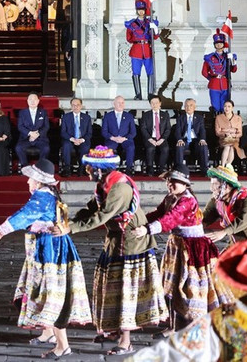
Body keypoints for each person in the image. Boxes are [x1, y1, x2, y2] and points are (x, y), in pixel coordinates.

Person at [65, 147, 168, 356]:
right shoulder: (105, 185)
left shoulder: (119, 188)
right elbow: (92, 209)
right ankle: (112, 329)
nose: (87, 171)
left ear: (100, 169)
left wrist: (71, 228)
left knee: (125, 292)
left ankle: (126, 341)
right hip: (116, 241)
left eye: (90, 168)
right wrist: (69, 220)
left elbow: (102, 215)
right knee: (110, 287)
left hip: (132, 246)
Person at [0, 159, 92, 359]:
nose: (27, 182)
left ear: (38, 181)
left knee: (51, 293)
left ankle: (63, 345)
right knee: (42, 289)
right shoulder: (49, 194)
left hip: (50, 252)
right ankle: (48, 333)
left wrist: (3, 229)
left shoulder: (42, 197)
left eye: (30, 178)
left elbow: (26, 214)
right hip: (46, 248)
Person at [131, 164, 232, 331]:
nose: (170, 184)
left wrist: (147, 229)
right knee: (173, 285)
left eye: (174, 182)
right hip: (178, 246)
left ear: (185, 184)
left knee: (190, 287)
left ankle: (193, 326)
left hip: (193, 250)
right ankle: (174, 325)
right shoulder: (171, 198)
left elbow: (170, 219)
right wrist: (138, 220)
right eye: (169, 181)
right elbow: (158, 214)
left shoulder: (187, 201)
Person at [203, 164, 247, 245]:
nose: (211, 188)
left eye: (215, 184)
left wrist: (223, 232)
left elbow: (243, 220)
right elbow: (205, 218)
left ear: (226, 186)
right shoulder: (216, 201)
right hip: (237, 244)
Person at [125, 0, 160, 100]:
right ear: (137, 11)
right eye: (139, 10)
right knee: (136, 73)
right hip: (136, 51)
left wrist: (155, 29)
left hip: (147, 50)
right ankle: (138, 94)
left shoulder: (150, 22)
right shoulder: (132, 24)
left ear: (145, 10)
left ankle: (150, 94)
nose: (141, 12)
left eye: (143, 10)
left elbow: (155, 37)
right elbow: (129, 38)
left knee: (150, 72)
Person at [202, 30, 237, 114]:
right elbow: (204, 72)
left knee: (225, 106)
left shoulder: (228, 56)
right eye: (217, 43)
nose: (219, 45)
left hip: (225, 83)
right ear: (214, 45)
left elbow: (234, 70)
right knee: (216, 106)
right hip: (214, 85)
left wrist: (233, 60)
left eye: (221, 43)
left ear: (223, 44)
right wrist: (212, 79)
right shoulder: (209, 58)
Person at [173, 98, 210, 174]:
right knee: (179, 146)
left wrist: (202, 139)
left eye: (191, 105)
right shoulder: (180, 118)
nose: (188, 107)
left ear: (195, 107)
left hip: (196, 140)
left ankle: (204, 170)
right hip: (184, 140)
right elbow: (178, 131)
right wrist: (179, 139)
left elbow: (202, 130)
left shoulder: (199, 118)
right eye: (186, 106)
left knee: (203, 146)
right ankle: (179, 170)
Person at [101, 95, 137, 171]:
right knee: (108, 148)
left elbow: (133, 132)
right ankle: (109, 169)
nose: (121, 105)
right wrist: (113, 138)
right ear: (114, 104)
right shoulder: (108, 116)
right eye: (118, 103)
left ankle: (129, 168)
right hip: (112, 139)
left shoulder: (129, 116)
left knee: (131, 147)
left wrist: (124, 138)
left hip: (125, 139)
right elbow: (104, 131)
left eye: (122, 103)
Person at [15, 92, 51, 168]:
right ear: (27, 101)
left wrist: (38, 134)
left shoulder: (43, 112)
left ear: (38, 101)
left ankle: (40, 167)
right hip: (26, 138)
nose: (32, 101)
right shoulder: (22, 113)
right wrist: (30, 133)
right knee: (18, 148)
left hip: (40, 138)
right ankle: (25, 166)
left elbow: (46, 126)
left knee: (46, 148)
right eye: (30, 99)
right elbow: (20, 126)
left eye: (34, 99)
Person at [139, 95, 171, 175]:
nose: (154, 105)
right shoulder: (146, 115)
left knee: (165, 149)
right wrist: (150, 139)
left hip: (161, 138)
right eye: (152, 103)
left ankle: (161, 168)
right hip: (150, 138)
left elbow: (168, 129)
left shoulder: (165, 115)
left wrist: (162, 139)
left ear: (160, 103)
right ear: (150, 104)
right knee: (150, 148)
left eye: (156, 103)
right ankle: (150, 168)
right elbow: (143, 128)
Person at [59, 97, 92, 177]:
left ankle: (82, 168)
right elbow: (63, 132)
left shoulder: (86, 118)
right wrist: (72, 139)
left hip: (82, 139)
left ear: (81, 106)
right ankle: (67, 169)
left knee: (86, 146)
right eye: (73, 105)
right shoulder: (66, 117)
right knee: (66, 146)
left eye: (77, 105)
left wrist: (82, 139)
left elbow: (89, 133)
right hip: (70, 139)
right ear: (71, 106)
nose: (75, 107)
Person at [214, 99, 245, 167]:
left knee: (231, 146)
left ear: (232, 108)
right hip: (223, 138)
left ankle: (226, 165)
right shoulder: (219, 117)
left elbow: (240, 133)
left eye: (229, 106)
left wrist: (233, 135)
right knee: (228, 146)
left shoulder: (238, 118)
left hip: (234, 138)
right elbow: (217, 132)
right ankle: (224, 165)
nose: (227, 108)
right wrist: (225, 134)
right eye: (225, 106)